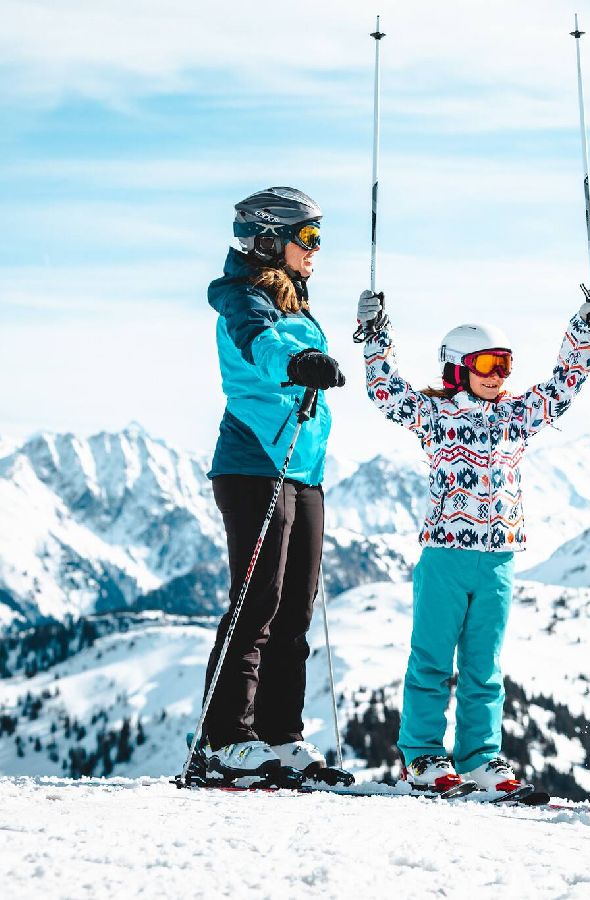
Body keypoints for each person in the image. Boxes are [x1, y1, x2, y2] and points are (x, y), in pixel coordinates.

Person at [356, 285, 590, 798]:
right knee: (431, 660)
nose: (498, 376)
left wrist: (586, 329)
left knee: (484, 667)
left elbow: (563, 385)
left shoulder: (517, 416)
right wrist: (376, 333)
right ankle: (423, 755)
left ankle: (479, 757)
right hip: (446, 556)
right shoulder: (434, 415)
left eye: (505, 365)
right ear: (457, 366)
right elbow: (385, 390)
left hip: (497, 560)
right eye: (488, 364)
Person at [202, 187, 346, 781]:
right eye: (307, 237)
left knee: (294, 612)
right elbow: (261, 343)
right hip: (254, 461)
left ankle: (280, 736)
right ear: (268, 240)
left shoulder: (293, 300)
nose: (316, 249)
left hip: (303, 469)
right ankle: (224, 741)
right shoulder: (243, 298)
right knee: (256, 603)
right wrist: (296, 364)